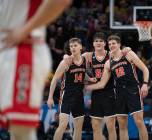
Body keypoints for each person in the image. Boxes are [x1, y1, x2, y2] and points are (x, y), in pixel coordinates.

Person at [0, 0, 71, 140]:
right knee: (13, 129)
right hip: (7, 51)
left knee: (21, 130)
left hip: (22, 51)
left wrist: (25, 30)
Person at [86, 35, 149, 140]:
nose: (111, 45)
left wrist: (145, 84)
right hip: (119, 93)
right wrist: (87, 87)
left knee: (139, 121)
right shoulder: (108, 63)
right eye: (110, 44)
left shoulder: (128, 54)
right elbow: (102, 83)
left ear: (119, 44)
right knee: (122, 125)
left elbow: (145, 69)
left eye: (114, 43)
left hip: (132, 90)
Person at [47, 38, 96, 140]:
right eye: (71, 46)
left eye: (75, 45)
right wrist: (50, 97)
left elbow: (82, 75)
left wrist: (90, 78)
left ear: (80, 47)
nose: (73, 48)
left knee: (78, 127)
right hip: (67, 96)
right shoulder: (66, 62)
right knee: (63, 125)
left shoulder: (84, 60)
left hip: (79, 96)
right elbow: (55, 79)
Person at [83, 32, 117, 140]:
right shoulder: (88, 56)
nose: (98, 43)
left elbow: (124, 52)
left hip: (110, 92)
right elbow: (73, 59)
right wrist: (66, 56)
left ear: (105, 43)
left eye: (101, 41)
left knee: (110, 126)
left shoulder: (111, 54)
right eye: (96, 41)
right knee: (95, 126)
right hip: (96, 94)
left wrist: (128, 49)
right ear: (93, 43)